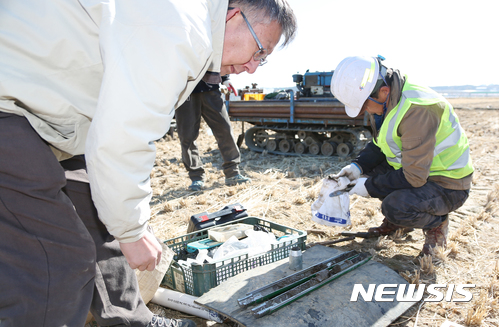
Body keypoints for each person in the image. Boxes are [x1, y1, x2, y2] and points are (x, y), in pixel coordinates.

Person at [0, 0, 296, 326]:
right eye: (259, 52)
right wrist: (133, 229)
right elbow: (125, 134)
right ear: (235, 17)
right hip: (11, 113)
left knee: (97, 214)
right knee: (55, 261)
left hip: (47, 117)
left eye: (262, 61)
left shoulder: (189, 27)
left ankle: (131, 320)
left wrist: (122, 223)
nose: (253, 68)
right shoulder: (182, 27)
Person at [330, 56, 473, 256]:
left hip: (447, 182)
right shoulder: (386, 100)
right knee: (370, 173)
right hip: (420, 169)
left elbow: (414, 177)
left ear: (384, 91)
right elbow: (381, 145)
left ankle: (436, 224)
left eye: (363, 106)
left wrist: (368, 187)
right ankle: (398, 224)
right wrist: (357, 167)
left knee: (396, 206)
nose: (364, 111)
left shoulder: (418, 110)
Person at [176, 75, 250, 192]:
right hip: (185, 91)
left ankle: (233, 173)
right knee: (187, 137)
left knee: (225, 130)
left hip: (210, 88)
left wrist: (225, 78)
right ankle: (196, 177)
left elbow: (215, 57)